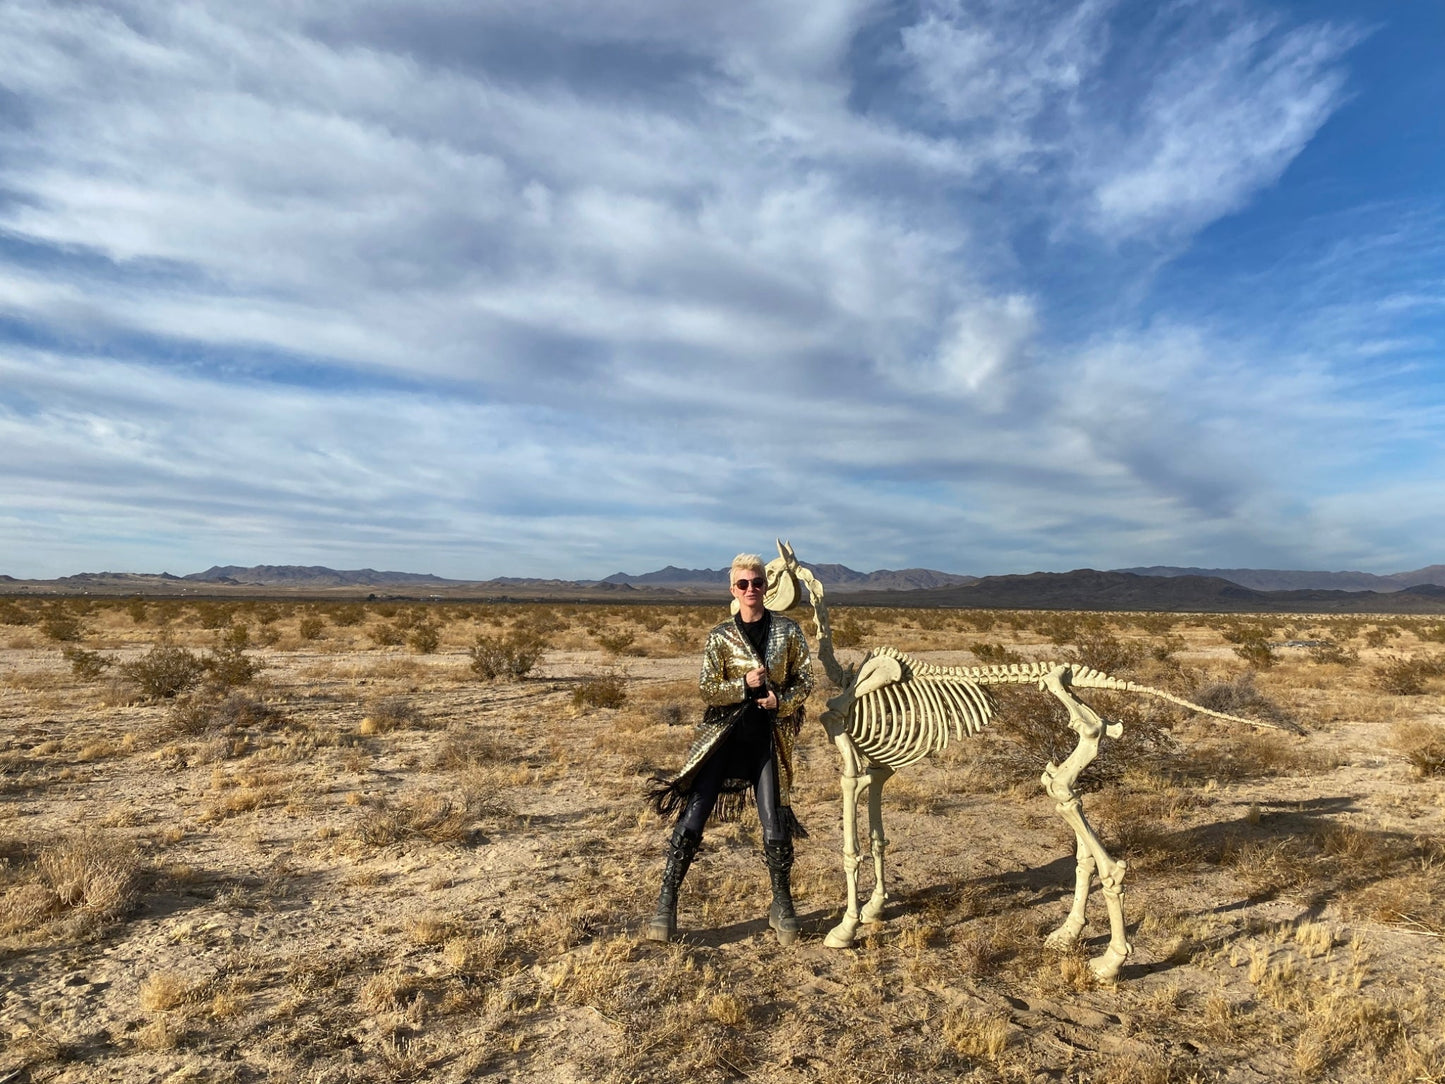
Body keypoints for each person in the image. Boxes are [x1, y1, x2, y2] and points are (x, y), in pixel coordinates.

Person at [645, 553, 813, 944]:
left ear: (766, 588)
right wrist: (743, 685)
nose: (751, 589)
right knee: (695, 815)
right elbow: (707, 689)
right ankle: (666, 903)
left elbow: (805, 681)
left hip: (767, 743)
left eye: (757, 583)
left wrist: (781, 702)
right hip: (722, 741)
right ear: (732, 590)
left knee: (775, 821)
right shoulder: (720, 636)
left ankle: (782, 903)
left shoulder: (788, 632)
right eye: (743, 584)